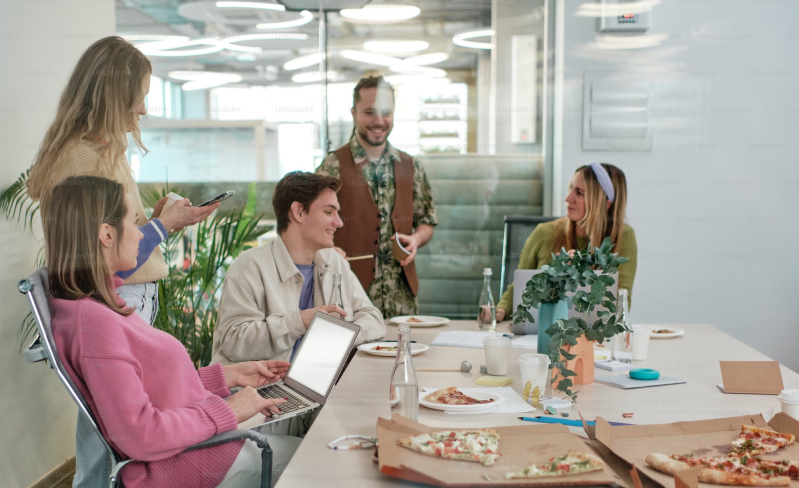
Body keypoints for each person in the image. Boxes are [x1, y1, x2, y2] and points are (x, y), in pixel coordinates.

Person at [24, 36, 220, 488]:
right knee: (110, 437)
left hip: (124, 295)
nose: (144, 109)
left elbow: (109, 237)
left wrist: (150, 223)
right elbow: (99, 258)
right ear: (114, 94)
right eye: (140, 96)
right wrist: (162, 228)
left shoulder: (98, 151)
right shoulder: (82, 159)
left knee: (105, 431)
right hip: (117, 296)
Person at [45, 175, 300, 488]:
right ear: (107, 235)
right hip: (189, 466)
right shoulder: (96, 323)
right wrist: (228, 411)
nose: (141, 234)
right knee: (319, 460)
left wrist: (227, 376)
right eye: (134, 222)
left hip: (201, 452)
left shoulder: (100, 303)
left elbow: (153, 389)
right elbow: (141, 436)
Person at [211, 171, 385, 366]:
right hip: (264, 384)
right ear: (299, 212)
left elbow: (373, 318)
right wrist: (299, 322)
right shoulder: (248, 268)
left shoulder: (335, 262)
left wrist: (342, 336)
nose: (339, 222)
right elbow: (234, 342)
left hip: (318, 380)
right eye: (329, 212)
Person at [316, 75, 438, 319]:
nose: (379, 121)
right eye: (369, 112)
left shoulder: (411, 166)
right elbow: (313, 223)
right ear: (354, 113)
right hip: (349, 299)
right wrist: (329, 249)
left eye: (386, 112)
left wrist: (415, 239)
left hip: (402, 301)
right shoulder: (333, 165)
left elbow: (427, 222)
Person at [496, 163, 638, 321]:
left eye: (579, 193)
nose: (568, 198)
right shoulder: (543, 232)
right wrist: (499, 311)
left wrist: (582, 274)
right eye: (571, 188)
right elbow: (518, 289)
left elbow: (621, 304)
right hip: (540, 330)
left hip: (593, 334)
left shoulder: (623, 237)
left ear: (604, 204)